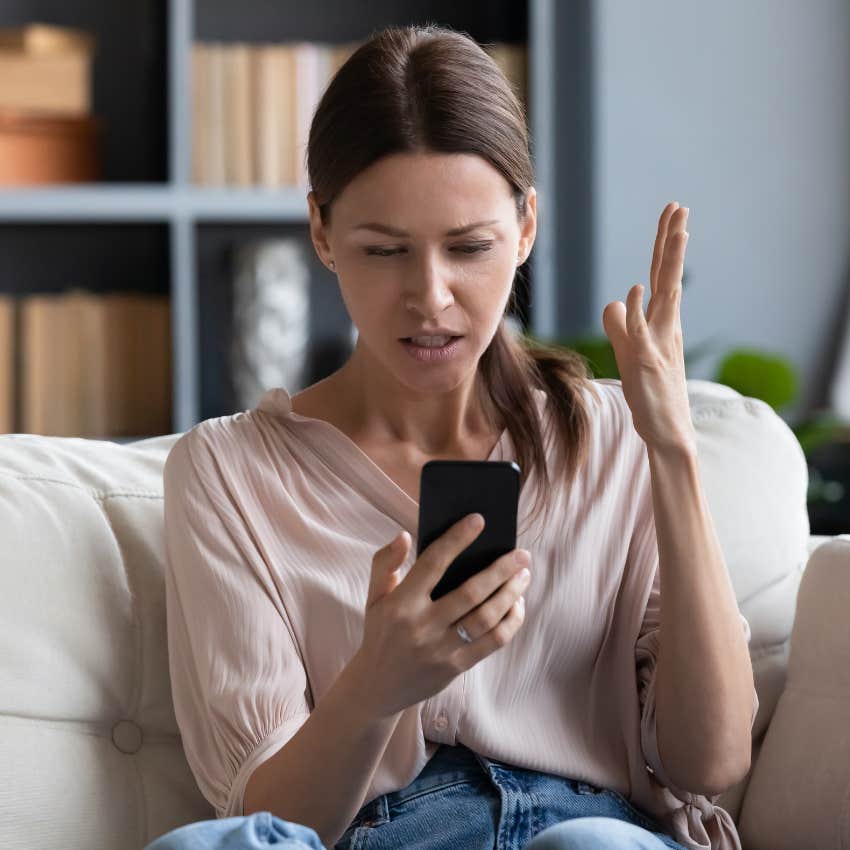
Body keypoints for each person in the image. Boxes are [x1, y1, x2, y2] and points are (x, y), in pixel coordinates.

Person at [144, 22, 758, 850]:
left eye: (469, 248)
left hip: (589, 830)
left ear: (526, 227)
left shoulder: (619, 437)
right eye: (385, 249)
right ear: (322, 232)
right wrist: (376, 686)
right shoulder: (228, 471)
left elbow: (711, 760)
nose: (430, 297)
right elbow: (265, 822)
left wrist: (674, 453)